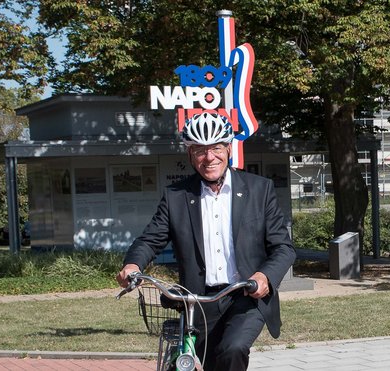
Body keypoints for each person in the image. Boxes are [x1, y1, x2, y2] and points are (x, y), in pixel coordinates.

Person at [115, 112, 296, 371]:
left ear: (229, 148)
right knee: (209, 364)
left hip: (245, 295)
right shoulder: (176, 196)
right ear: (190, 155)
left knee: (233, 349)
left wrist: (265, 276)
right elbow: (150, 239)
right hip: (198, 302)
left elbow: (283, 247)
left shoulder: (259, 189)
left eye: (216, 148)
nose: (209, 157)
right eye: (200, 150)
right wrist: (133, 264)